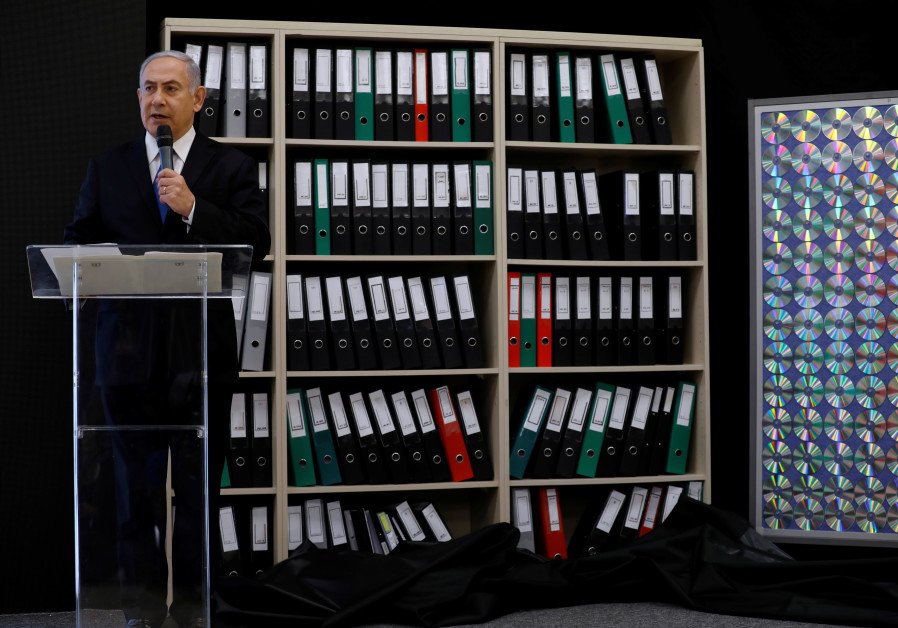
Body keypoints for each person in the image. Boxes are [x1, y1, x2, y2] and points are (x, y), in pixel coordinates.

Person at [64, 50, 271, 628]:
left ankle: (196, 608)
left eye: (171, 89)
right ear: (138, 98)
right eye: (149, 89)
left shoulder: (230, 168)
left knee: (198, 494)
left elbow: (260, 244)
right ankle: (143, 611)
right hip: (124, 359)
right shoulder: (107, 168)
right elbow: (74, 246)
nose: (158, 99)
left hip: (199, 359)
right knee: (133, 497)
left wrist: (195, 208)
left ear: (198, 99)